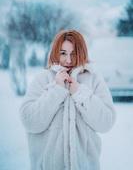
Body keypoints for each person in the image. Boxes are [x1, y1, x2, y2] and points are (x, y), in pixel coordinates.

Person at [20, 30, 116, 170]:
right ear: (55, 52)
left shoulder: (93, 78)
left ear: (81, 53)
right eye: (63, 53)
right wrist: (56, 91)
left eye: (74, 53)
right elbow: (29, 121)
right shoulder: (42, 79)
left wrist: (80, 92)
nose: (69, 60)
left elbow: (106, 122)